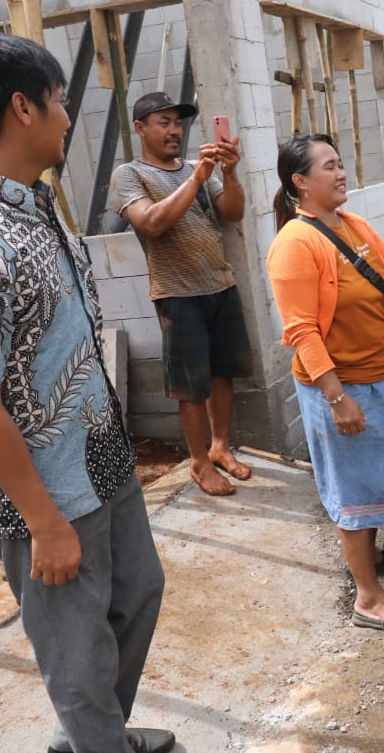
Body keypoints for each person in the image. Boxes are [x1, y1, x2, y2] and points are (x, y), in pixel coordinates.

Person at [0, 32, 171, 752]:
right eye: (59, 100)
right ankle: (96, 738)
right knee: (77, 654)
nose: (67, 116)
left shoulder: (37, 202)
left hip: (99, 456)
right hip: (42, 491)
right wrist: (44, 521)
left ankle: (95, 738)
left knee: (138, 592)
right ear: (23, 107)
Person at [265, 134, 384, 634]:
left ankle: (371, 555)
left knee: (377, 476)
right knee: (355, 488)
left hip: (383, 375)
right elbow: (301, 331)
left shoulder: (353, 225)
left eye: (341, 164)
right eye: (330, 166)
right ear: (300, 182)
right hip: (342, 387)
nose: (342, 174)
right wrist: (337, 397)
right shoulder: (295, 243)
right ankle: (368, 598)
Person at [112, 92, 253, 496]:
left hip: (219, 284)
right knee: (190, 387)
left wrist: (227, 173)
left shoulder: (198, 169)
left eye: (178, 122)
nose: (174, 130)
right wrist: (196, 177)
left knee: (222, 372)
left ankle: (221, 447)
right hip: (177, 292)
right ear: (140, 128)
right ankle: (198, 462)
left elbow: (233, 212)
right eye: (163, 122)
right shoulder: (129, 175)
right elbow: (153, 222)